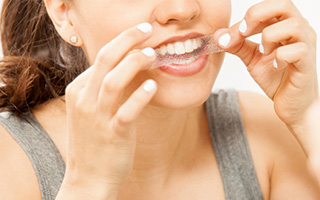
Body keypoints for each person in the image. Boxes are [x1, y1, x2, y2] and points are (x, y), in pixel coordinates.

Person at [0, 0, 319, 199]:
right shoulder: (10, 165)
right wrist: (88, 187)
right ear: (64, 13)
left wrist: (308, 118)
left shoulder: (265, 133)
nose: (182, 8)